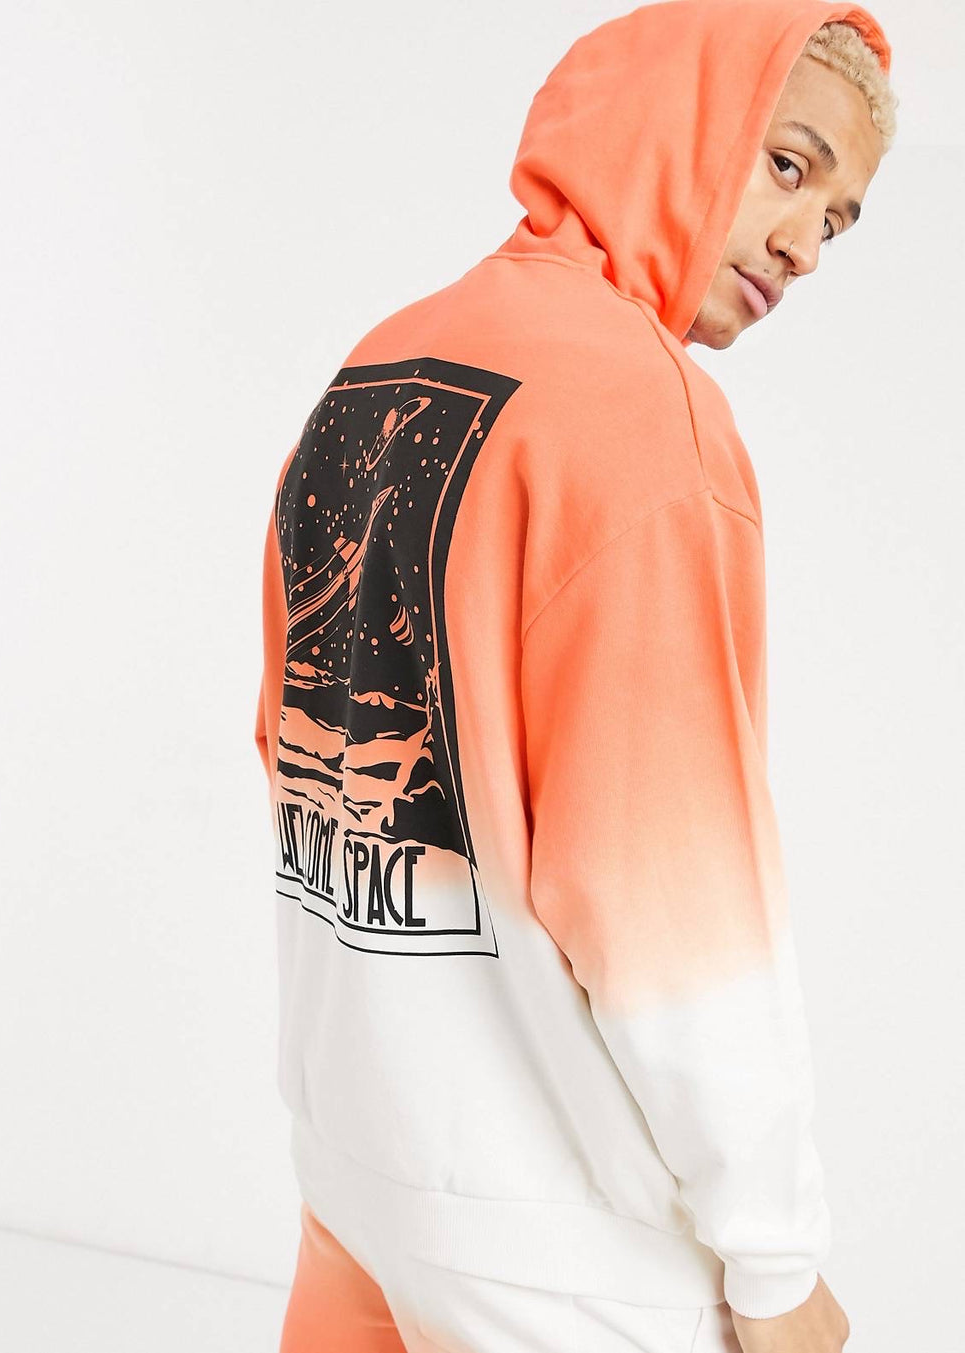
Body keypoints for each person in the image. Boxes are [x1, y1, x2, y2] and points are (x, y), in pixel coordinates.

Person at [253, 1, 898, 1349]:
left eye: (837, 221)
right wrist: (778, 1266)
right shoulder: (642, 419)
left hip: (353, 1167)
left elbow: (295, 761)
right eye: (789, 164)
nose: (804, 243)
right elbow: (673, 901)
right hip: (555, 1241)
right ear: (676, 113)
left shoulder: (378, 366)